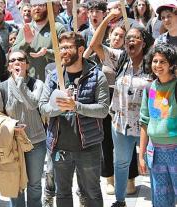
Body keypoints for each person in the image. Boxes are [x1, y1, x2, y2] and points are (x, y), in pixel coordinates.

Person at [90, 9, 155, 207]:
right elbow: (94, 45)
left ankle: (159, 201)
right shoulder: (119, 59)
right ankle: (120, 201)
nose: (130, 42)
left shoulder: (153, 63)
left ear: (143, 43)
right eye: (128, 39)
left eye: (135, 39)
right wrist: (109, 18)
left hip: (147, 126)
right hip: (121, 124)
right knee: (121, 163)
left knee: (152, 165)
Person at [39, 31, 110, 207]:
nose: (64, 51)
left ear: (80, 50)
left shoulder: (96, 75)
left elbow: (103, 110)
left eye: (68, 47)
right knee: (62, 193)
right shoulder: (54, 76)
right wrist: (58, 107)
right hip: (59, 147)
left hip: (88, 147)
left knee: (91, 193)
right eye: (61, 47)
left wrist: (75, 106)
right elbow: (42, 106)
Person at [86, 8, 140, 196]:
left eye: (122, 36)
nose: (118, 38)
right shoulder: (108, 53)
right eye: (115, 34)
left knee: (128, 139)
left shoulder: (129, 56)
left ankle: (131, 178)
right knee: (106, 141)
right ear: (110, 35)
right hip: (106, 99)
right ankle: (109, 177)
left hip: (126, 101)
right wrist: (108, 18)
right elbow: (94, 44)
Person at [0, 50, 46, 207]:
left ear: (27, 64)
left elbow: (33, 104)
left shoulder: (37, 84)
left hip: (35, 142)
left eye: (21, 59)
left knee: (35, 185)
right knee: (15, 185)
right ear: (9, 66)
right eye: (12, 60)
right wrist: (10, 125)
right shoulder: (2, 88)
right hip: (12, 143)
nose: (17, 62)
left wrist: (20, 81)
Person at [139, 43, 177, 207]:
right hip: (155, 152)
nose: (158, 65)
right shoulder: (150, 88)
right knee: (161, 200)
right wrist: (141, 155)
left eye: (163, 62)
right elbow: (145, 121)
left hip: (175, 149)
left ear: (172, 65)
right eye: (155, 61)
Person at [12, 2, 66, 81]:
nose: (37, 8)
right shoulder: (26, 28)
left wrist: (46, 52)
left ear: (48, 8)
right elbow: (14, 53)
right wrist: (26, 42)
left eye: (41, 5)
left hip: (51, 82)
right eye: (34, 5)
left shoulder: (57, 28)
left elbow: (64, 54)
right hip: (27, 82)